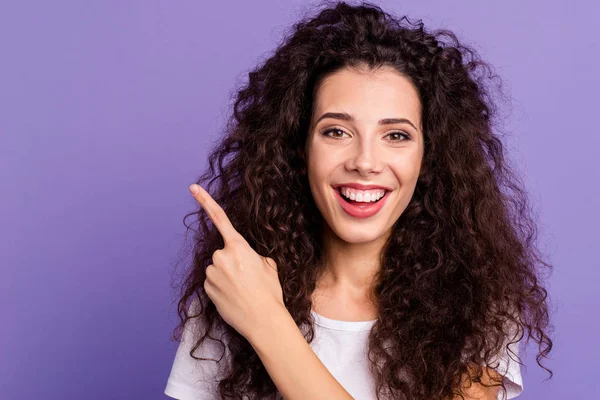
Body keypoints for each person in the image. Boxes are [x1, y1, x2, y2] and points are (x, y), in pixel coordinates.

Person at [164, 1, 553, 399]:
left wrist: (267, 322)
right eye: (336, 132)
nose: (365, 163)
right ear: (299, 149)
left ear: (429, 157)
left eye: (396, 135)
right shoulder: (234, 285)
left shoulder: (477, 303)